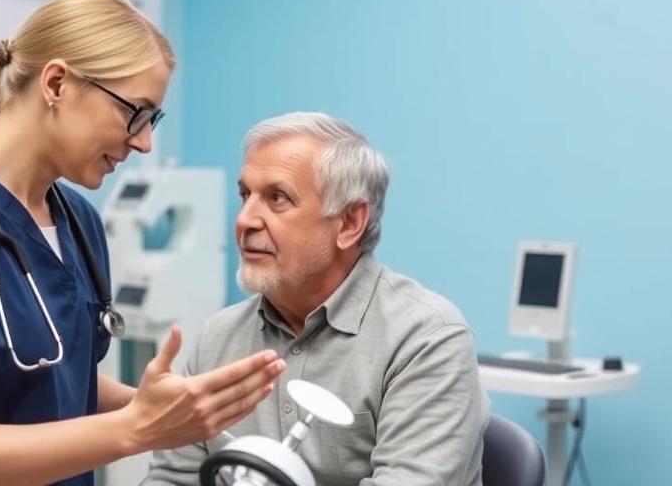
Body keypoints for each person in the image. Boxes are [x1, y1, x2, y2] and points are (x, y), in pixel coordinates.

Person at [0, 0, 286, 486]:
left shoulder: (78, 220)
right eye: (134, 113)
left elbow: (49, 373)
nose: (143, 142)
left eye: (152, 120)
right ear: (56, 83)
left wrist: (159, 406)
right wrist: (134, 428)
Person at [142, 111, 490, 485]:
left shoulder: (426, 338)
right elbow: (173, 478)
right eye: (245, 195)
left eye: (277, 198)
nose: (244, 219)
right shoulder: (218, 337)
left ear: (349, 222)